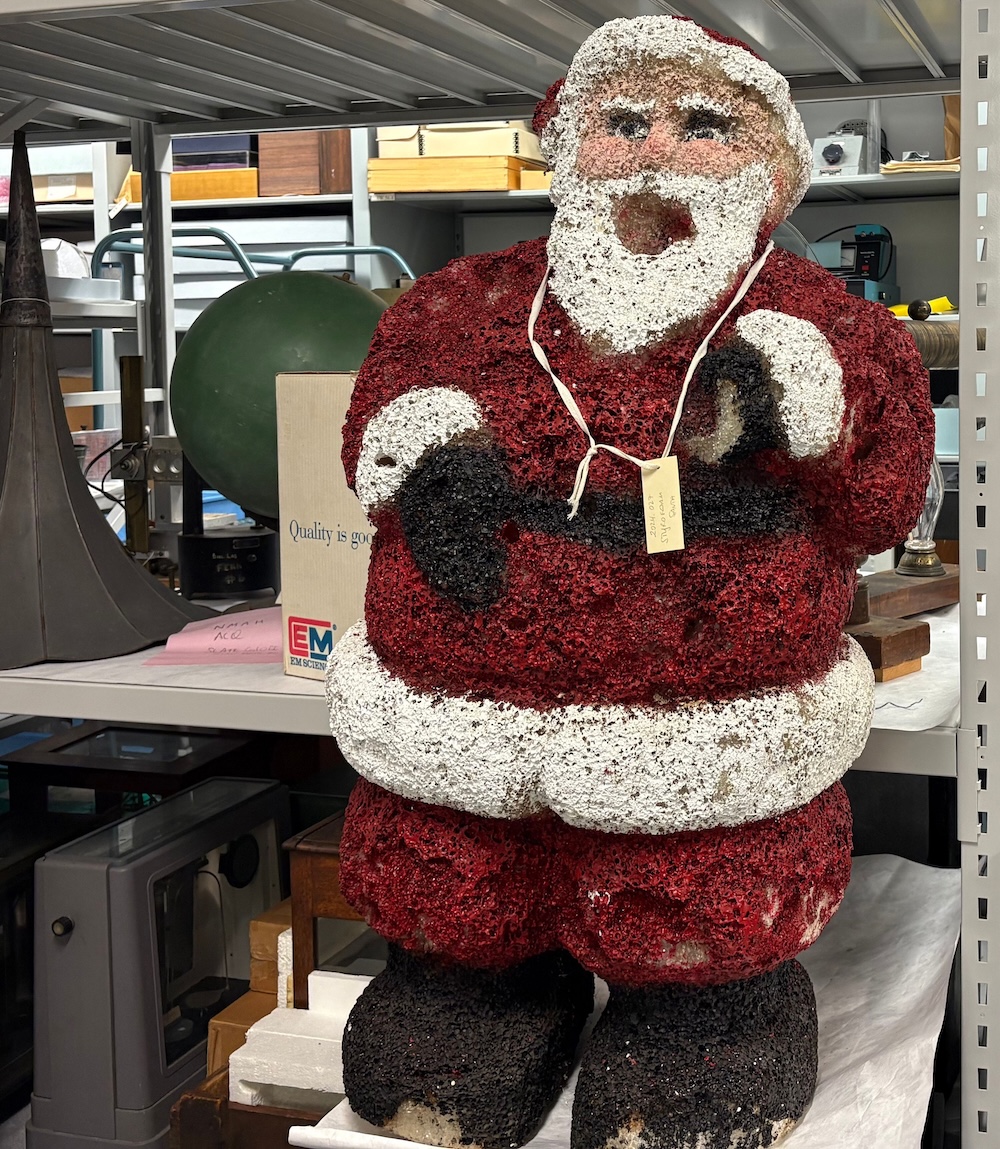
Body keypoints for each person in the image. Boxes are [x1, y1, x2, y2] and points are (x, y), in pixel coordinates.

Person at [327, 15, 935, 1149]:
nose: (655, 152)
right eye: (620, 122)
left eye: (703, 125)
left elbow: (883, 505)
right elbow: (374, 449)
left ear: (772, 170)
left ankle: (708, 1021)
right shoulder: (453, 308)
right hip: (453, 720)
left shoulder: (833, 327)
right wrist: (428, 449)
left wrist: (815, 413)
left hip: (716, 731)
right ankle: (482, 995)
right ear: (560, 146)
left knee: (703, 903)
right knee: (457, 891)